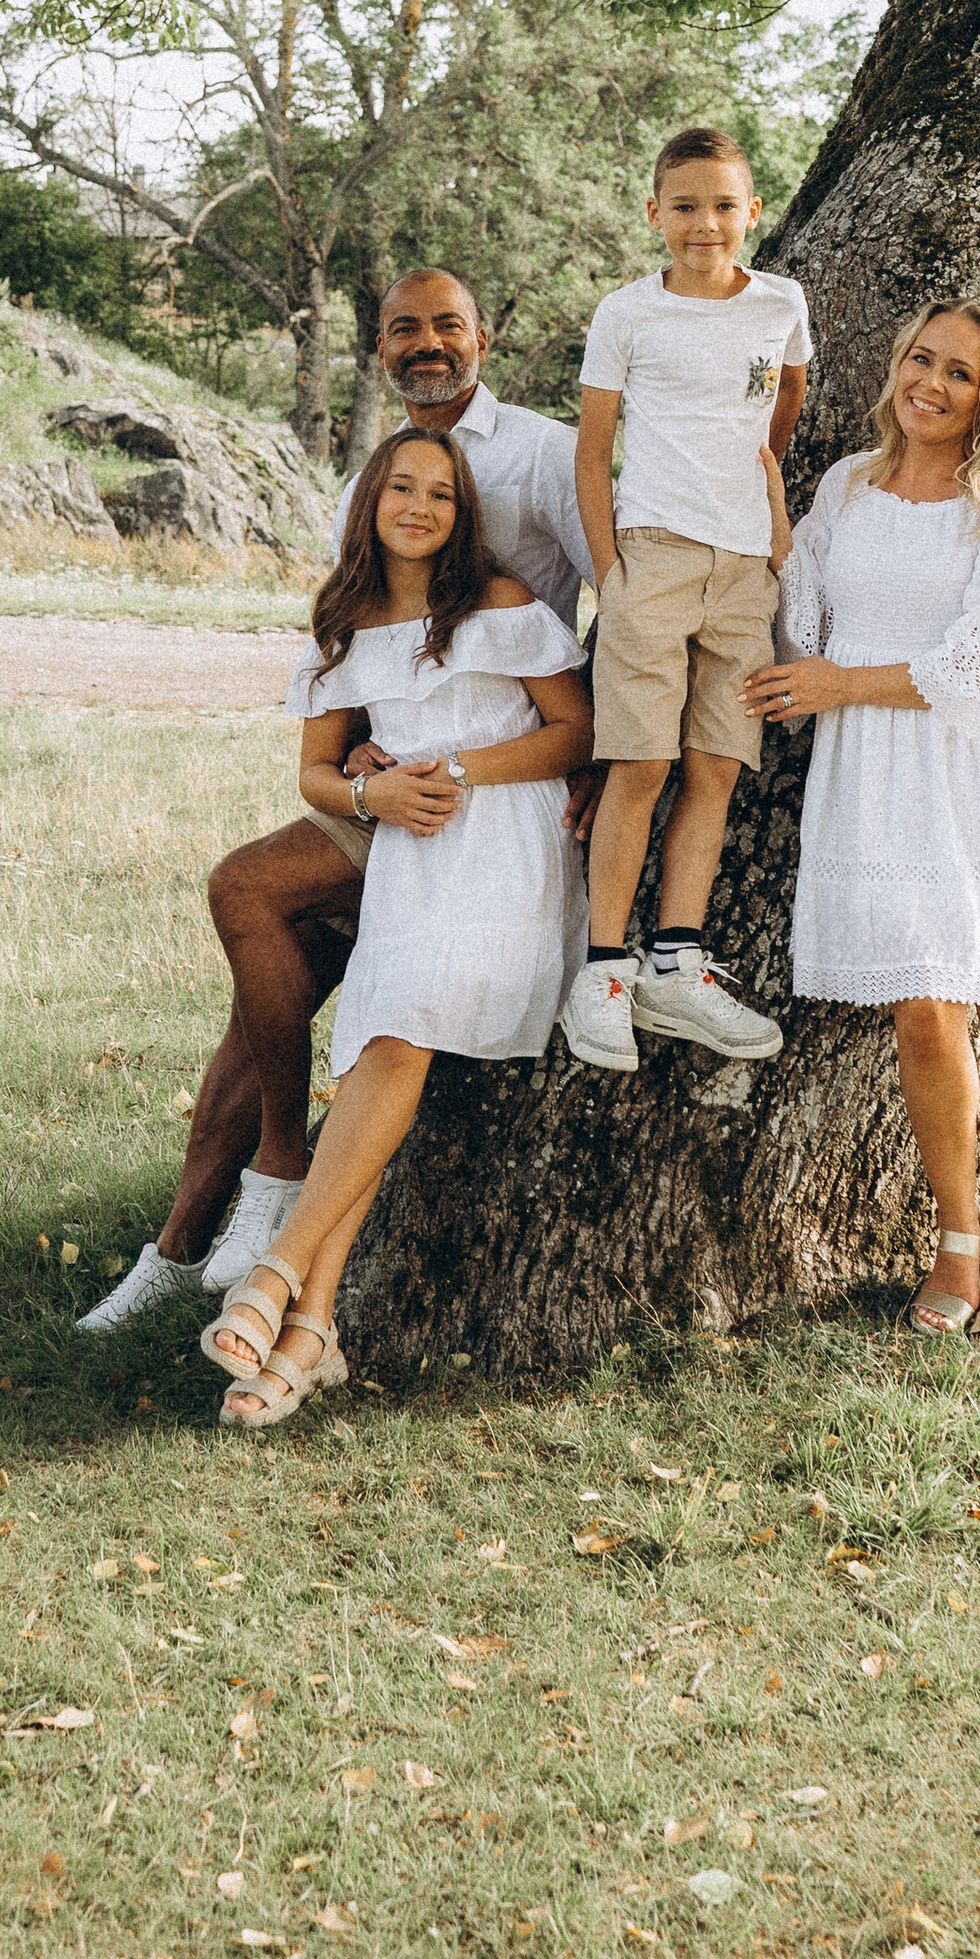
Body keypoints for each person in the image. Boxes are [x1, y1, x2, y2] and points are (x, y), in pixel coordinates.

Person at [75, 267, 591, 1334]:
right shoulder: (377, 477)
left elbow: (613, 603)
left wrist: (599, 767)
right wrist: (365, 782)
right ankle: (191, 1238)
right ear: (382, 351)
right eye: (405, 330)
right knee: (260, 939)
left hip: (498, 774)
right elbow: (352, 668)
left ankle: (259, 1201)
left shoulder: (542, 452)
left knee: (271, 920)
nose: (427, 344)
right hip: (388, 776)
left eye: (448, 324)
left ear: (481, 335)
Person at [202, 426, 593, 1426]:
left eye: (444, 495)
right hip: (412, 853)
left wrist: (455, 770)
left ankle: (280, 1273)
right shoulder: (345, 625)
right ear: (369, 501)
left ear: (463, 518)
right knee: (384, 1043)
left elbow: (576, 731)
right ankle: (305, 1335)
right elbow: (316, 774)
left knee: (398, 1030)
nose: (421, 507)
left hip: (507, 846)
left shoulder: (499, 606)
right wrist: (374, 802)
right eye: (403, 489)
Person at [743, 297, 980, 1354]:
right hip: (877, 779)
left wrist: (839, 683)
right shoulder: (846, 485)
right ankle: (956, 1236)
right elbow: (799, 621)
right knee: (925, 1014)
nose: (931, 386)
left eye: (960, 374)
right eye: (922, 361)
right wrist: (768, 506)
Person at [560, 124, 808, 1073]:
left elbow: (780, 410)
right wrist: (609, 569)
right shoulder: (628, 314)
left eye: (724, 206)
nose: (705, 224)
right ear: (654, 214)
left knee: (715, 763)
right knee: (641, 761)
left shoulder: (781, 303)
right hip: (651, 558)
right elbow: (593, 451)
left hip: (744, 569)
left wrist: (771, 513)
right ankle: (603, 975)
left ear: (753, 213)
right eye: (685, 206)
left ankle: (676, 965)